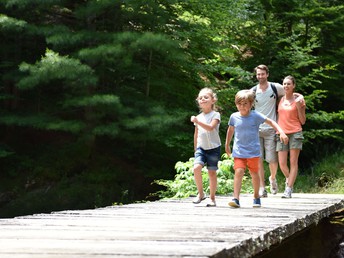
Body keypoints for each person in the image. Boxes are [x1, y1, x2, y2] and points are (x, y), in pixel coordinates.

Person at [225, 90, 288, 208]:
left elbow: (271, 122)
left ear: (251, 104)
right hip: (239, 151)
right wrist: (227, 144)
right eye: (239, 104)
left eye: (245, 104)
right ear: (236, 104)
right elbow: (231, 130)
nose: (242, 106)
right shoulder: (234, 116)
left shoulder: (255, 116)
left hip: (253, 151)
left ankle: (256, 197)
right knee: (239, 172)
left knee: (254, 173)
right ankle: (236, 198)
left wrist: (281, 132)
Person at [251, 64, 287, 198]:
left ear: (267, 74)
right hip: (256, 130)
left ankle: (272, 178)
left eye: (262, 74)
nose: (260, 76)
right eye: (258, 74)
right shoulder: (253, 91)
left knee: (272, 159)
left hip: (271, 128)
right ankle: (262, 187)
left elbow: (288, 94)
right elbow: (246, 106)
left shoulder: (275, 87)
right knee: (258, 158)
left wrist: (299, 97)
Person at [190, 87, 221, 207]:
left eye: (206, 97)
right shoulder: (199, 116)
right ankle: (201, 194)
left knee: (211, 172)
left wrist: (197, 121)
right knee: (196, 168)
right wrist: (195, 148)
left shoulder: (216, 115)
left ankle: (212, 198)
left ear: (213, 100)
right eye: (200, 98)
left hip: (213, 148)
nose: (203, 99)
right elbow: (196, 133)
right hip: (201, 148)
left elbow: (210, 128)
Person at [277, 76, 306, 198]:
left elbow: (303, 121)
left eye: (289, 84)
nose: (286, 86)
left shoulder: (299, 101)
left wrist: (299, 106)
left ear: (293, 85)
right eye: (284, 84)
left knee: (293, 162)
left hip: (295, 132)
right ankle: (290, 180)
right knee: (282, 163)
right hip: (282, 133)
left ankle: (288, 189)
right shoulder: (280, 99)